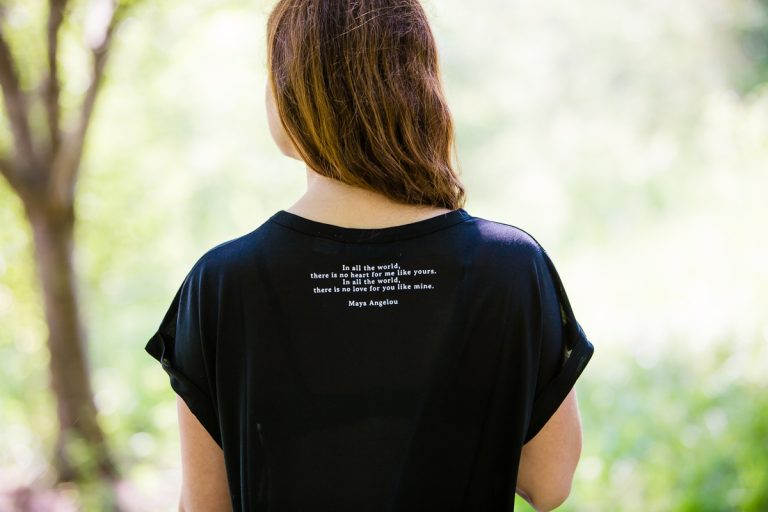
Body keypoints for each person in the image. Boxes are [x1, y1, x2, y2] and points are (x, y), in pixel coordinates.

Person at [144, 1, 594, 510]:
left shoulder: (222, 282)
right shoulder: (511, 266)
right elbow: (549, 483)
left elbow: (205, 504)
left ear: (292, 93)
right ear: (421, 87)